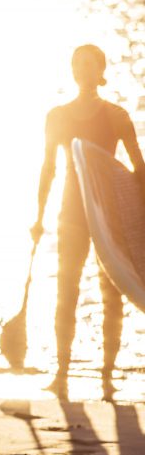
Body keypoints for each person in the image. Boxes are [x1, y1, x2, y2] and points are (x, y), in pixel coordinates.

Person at [31, 44, 145, 402]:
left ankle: (107, 376)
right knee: (67, 291)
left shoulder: (116, 116)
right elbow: (48, 169)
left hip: (110, 216)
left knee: (112, 294)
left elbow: (138, 170)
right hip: (72, 213)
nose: (82, 69)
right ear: (72, 70)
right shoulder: (58, 116)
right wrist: (37, 217)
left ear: (101, 71)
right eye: (77, 63)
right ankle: (61, 373)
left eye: (89, 64)